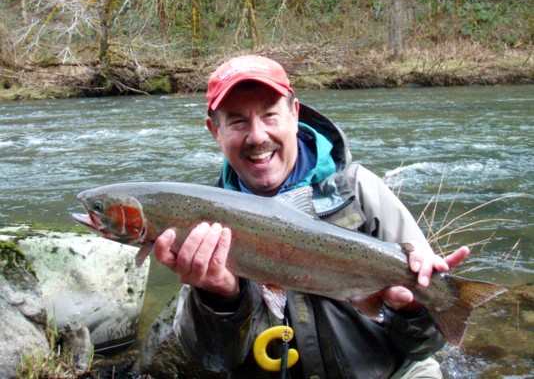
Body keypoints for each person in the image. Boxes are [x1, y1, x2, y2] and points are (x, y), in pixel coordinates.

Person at [155, 55, 469, 378]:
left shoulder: (358, 191)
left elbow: (425, 345)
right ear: (214, 131)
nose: (257, 136)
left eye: (270, 115)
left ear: (294, 114)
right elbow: (212, 360)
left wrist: (414, 311)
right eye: (237, 121)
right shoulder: (205, 221)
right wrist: (219, 300)